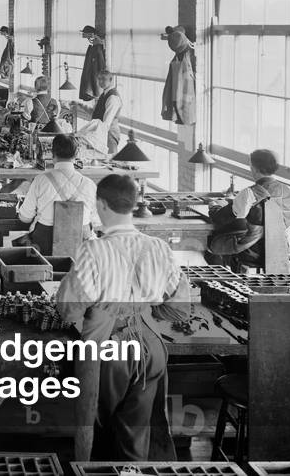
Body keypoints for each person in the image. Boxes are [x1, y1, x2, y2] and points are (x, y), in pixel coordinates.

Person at [56, 175, 191, 461]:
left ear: (100, 204)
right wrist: (142, 309)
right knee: (133, 438)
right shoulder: (160, 248)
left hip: (108, 352)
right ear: (133, 205)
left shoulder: (93, 250)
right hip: (150, 350)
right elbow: (180, 308)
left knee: (98, 435)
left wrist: (103, 311)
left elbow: (68, 310)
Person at [207, 148, 290, 271]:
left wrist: (213, 205)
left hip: (251, 253)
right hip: (280, 250)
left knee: (210, 246)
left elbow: (220, 218)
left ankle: (224, 283)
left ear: (253, 167)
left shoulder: (249, 193)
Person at [16, 134, 99, 253]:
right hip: (81, 251)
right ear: (76, 154)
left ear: (52, 153)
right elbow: (96, 222)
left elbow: (25, 218)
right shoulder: (89, 184)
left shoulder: (40, 180)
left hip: (44, 249)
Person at [76, 71, 122, 155]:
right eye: (99, 79)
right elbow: (96, 113)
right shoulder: (104, 94)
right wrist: (80, 105)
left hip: (109, 133)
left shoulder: (112, 97)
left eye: (104, 79)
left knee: (109, 158)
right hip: (101, 130)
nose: (101, 82)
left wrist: (93, 135)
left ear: (111, 80)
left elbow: (107, 121)